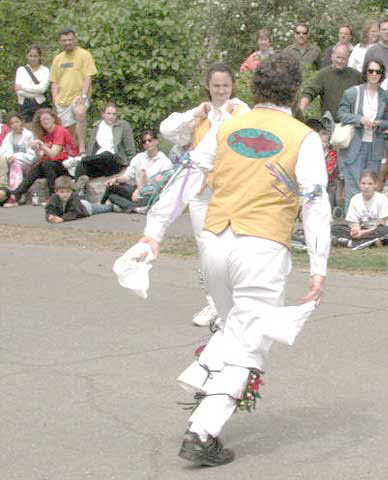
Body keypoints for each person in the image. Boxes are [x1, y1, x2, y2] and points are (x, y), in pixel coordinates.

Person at [136, 52, 331, 467]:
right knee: (250, 345)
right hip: (261, 247)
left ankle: (205, 386)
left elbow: (186, 173)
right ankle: (202, 433)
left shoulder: (228, 125)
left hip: (216, 244)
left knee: (233, 328)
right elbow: (316, 205)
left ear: (254, 89)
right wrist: (319, 266)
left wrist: (154, 233)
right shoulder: (304, 137)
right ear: (296, 92)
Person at [150, 63, 250, 327]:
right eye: (216, 86)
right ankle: (213, 302)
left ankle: (232, 302)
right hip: (200, 192)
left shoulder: (241, 110)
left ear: (232, 86)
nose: (221, 91)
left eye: (225, 86)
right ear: (208, 86)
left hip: (228, 191)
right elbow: (167, 130)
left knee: (229, 248)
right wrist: (195, 113)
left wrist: (226, 114)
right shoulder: (201, 114)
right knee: (205, 248)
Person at [337, 57, 388, 210]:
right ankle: (352, 223)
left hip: (374, 145)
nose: (374, 74)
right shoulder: (352, 93)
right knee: (354, 185)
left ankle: (367, 222)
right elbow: (341, 114)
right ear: (365, 73)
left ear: (382, 75)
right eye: (371, 71)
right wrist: (359, 119)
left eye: (378, 72)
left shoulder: (385, 96)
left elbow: (387, 120)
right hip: (355, 144)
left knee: (370, 185)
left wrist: (378, 124)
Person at [9, 108, 78, 204]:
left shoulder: (60, 131)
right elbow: (42, 156)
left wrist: (41, 144)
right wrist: (36, 149)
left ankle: (53, 197)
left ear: (53, 119)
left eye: (47, 119)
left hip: (68, 165)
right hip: (52, 164)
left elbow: (53, 154)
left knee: (47, 164)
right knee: (36, 168)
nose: (45, 122)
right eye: (42, 120)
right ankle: (16, 195)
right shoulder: (44, 134)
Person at [50, 28, 97, 155]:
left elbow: (88, 76)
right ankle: (72, 152)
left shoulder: (84, 54)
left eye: (70, 39)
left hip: (79, 95)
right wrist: (55, 99)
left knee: (80, 113)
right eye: (64, 40)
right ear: (60, 42)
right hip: (62, 99)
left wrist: (83, 95)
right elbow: (54, 82)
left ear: (75, 39)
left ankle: (82, 149)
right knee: (68, 129)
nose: (67, 43)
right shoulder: (57, 59)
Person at [101, 130, 172, 213]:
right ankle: (129, 207)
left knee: (155, 199)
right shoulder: (139, 157)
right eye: (144, 142)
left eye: (150, 140)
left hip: (151, 193)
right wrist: (116, 179)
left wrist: (139, 190)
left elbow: (164, 185)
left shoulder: (165, 162)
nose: (147, 143)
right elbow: (128, 176)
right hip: (136, 190)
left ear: (156, 141)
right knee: (111, 188)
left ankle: (125, 206)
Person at [65, 103, 136, 184]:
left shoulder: (123, 125)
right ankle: (77, 189)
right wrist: (87, 157)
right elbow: (91, 146)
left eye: (114, 114)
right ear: (103, 114)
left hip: (114, 161)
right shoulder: (97, 125)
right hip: (98, 161)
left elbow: (130, 147)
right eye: (108, 113)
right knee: (82, 166)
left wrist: (131, 164)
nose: (111, 116)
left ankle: (79, 159)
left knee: (106, 154)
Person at [331, 169, 388, 248]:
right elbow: (354, 222)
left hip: (375, 230)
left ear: (375, 185)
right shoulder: (355, 199)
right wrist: (356, 230)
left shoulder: (382, 198)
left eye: (370, 184)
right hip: (362, 228)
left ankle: (350, 243)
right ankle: (370, 242)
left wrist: (363, 233)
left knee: (385, 231)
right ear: (359, 184)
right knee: (334, 228)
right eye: (363, 183)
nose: (366, 187)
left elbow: (382, 223)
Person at [299, 44, 361, 120]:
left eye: (343, 58)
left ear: (348, 59)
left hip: (350, 123)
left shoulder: (356, 76)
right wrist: (301, 109)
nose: (340, 61)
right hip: (329, 123)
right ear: (332, 56)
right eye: (338, 57)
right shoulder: (323, 74)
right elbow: (310, 91)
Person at [0, 113, 36, 204]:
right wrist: (9, 156)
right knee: (12, 162)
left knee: (15, 162)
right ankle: (11, 191)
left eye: (16, 122)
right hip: (14, 162)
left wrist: (15, 156)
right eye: (12, 123)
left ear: (22, 122)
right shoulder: (9, 136)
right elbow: (4, 149)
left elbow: (32, 156)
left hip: (28, 163)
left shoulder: (29, 135)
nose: (14, 125)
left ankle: (15, 195)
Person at [45, 175, 112, 223]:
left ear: (71, 191)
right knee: (81, 197)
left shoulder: (73, 196)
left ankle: (112, 205)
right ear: (56, 191)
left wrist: (62, 219)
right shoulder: (53, 198)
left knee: (103, 208)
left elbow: (74, 212)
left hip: (86, 208)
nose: (65, 194)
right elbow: (49, 209)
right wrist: (50, 216)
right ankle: (82, 192)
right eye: (62, 192)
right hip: (78, 203)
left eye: (68, 191)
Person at [14, 45, 50, 125]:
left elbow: (42, 89)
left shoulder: (45, 70)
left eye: (35, 56)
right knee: (26, 129)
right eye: (30, 56)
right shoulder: (21, 70)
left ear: (40, 57)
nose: (33, 59)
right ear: (27, 56)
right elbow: (19, 91)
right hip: (24, 104)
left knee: (41, 128)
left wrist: (23, 87)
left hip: (40, 103)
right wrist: (35, 90)